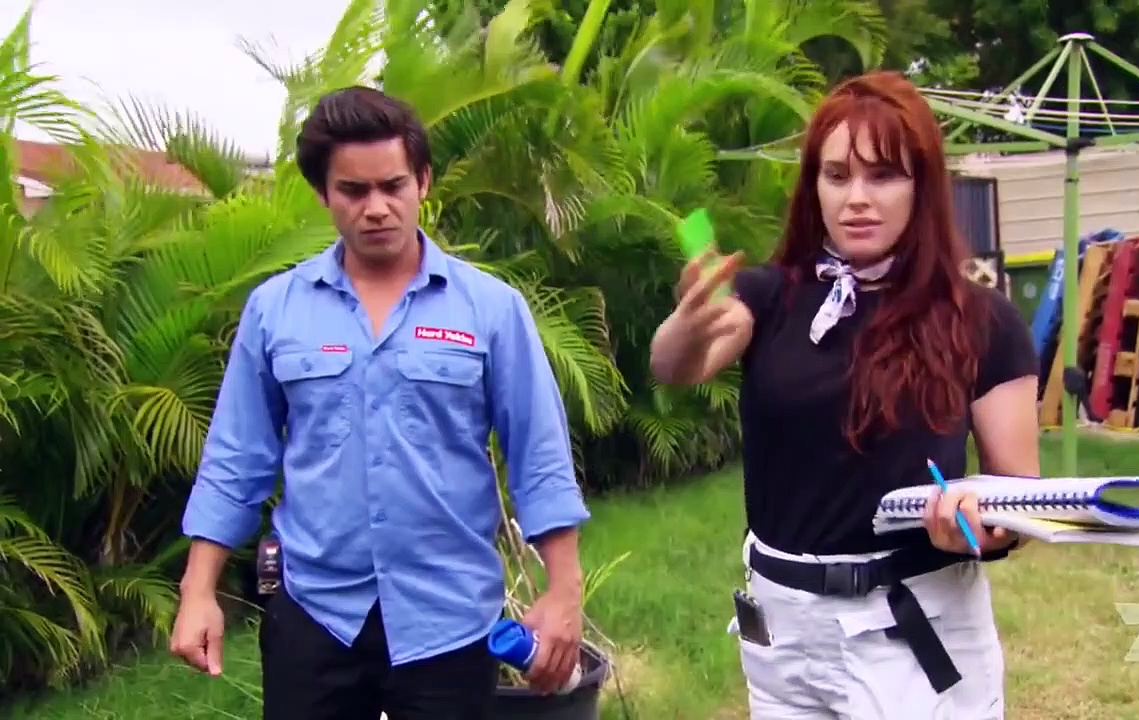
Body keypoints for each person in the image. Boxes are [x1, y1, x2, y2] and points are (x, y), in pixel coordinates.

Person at [169, 86, 591, 720]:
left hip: (448, 621)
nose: (376, 208)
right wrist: (198, 590)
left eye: (393, 186)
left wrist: (564, 592)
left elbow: (540, 455)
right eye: (353, 191)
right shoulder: (276, 310)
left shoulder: (490, 310)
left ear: (423, 181)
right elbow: (237, 457)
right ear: (323, 193)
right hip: (315, 616)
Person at [650, 70, 1040, 718]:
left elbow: (1021, 495)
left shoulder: (983, 320)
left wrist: (980, 530)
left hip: (916, 630)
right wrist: (685, 326)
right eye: (837, 176)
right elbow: (676, 366)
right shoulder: (771, 297)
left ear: (921, 185)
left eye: (882, 175)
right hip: (783, 635)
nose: (857, 198)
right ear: (815, 187)